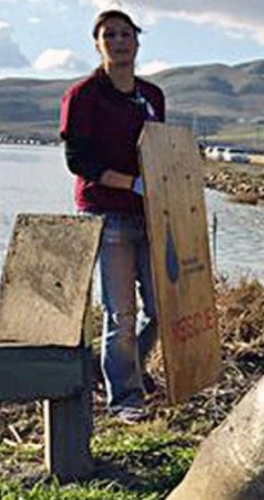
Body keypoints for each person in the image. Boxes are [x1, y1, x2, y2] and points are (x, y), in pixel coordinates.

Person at [60, 9, 165, 424]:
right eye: (109, 34)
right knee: (120, 313)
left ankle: (128, 371)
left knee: (159, 310)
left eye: (125, 33)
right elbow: (78, 160)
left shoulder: (153, 96)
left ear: (137, 41)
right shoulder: (84, 95)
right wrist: (130, 184)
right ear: (97, 43)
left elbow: (159, 151)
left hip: (150, 216)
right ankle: (125, 397)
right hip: (106, 216)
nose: (118, 40)